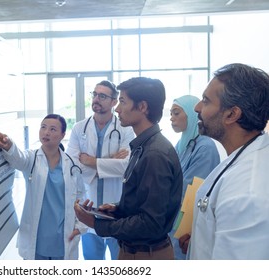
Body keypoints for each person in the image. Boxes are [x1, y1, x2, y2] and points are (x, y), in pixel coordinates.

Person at [74, 77, 183, 260]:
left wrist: (95, 223)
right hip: (134, 250)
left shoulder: (155, 154)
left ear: (142, 107)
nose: (117, 109)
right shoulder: (142, 147)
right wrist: (119, 209)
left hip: (147, 255)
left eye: (122, 102)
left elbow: (150, 223)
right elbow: (146, 204)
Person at [186, 63, 269, 259]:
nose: (197, 107)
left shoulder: (247, 194)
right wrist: (202, 239)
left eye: (206, 101)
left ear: (232, 114)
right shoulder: (245, 154)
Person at [0, 114, 87, 260]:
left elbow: (81, 197)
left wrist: (79, 227)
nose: (46, 132)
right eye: (43, 127)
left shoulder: (72, 165)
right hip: (37, 237)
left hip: (63, 235)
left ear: (62, 135)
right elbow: (18, 159)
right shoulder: (32, 159)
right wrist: (8, 144)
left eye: (53, 129)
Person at [66, 80, 135, 260]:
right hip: (89, 205)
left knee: (119, 259)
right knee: (92, 260)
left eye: (102, 96)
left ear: (114, 102)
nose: (96, 99)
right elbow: (71, 165)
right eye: (95, 94)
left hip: (116, 207)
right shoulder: (79, 128)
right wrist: (109, 162)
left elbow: (127, 166)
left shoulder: (126, 128)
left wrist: (91, 161)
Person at [168, 95, 220, 260]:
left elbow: (190, 188)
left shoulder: (205, 147)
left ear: (191, 114)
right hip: (173, 216)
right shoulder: (181, 144)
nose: (171, 118)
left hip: (187, 221)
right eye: (171, 114)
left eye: (176, 113)